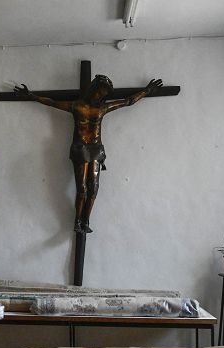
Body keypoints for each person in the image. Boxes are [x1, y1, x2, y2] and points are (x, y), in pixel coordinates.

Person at [14, 75, 162, 234]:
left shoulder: (102, 108)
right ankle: (77, 220)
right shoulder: (77, 106)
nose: (101, 96)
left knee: (94, 188)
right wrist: (32, 96)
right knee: (82, 188)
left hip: (97, 150)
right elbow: (52, 102)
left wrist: (146, 91)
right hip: (81, 148)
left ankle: (86, 220)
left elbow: (128, 101)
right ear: (93, 90)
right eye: (100, 92)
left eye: (104, 94)